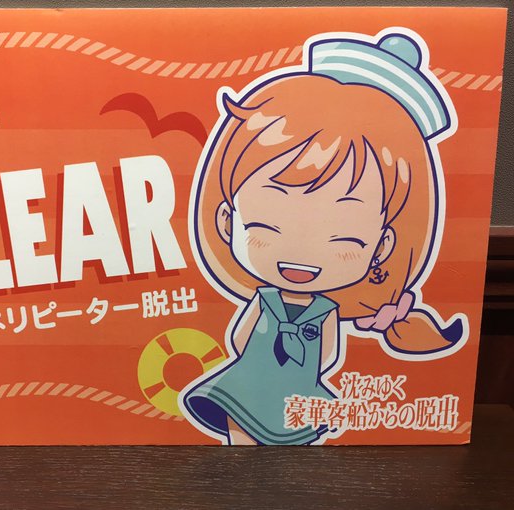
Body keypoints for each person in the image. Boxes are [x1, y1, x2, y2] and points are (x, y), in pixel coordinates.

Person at [183, 29, 467, 445]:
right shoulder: (268, 301)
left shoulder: (323, 312)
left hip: (295, 393)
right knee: (242, 431)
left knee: (291, 442)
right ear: (228, 221)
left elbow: (297, 348)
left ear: (382, 245)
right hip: (250, 383)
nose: (303, 249)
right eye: (269, 223)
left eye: (344, 237)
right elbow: (285, 347)